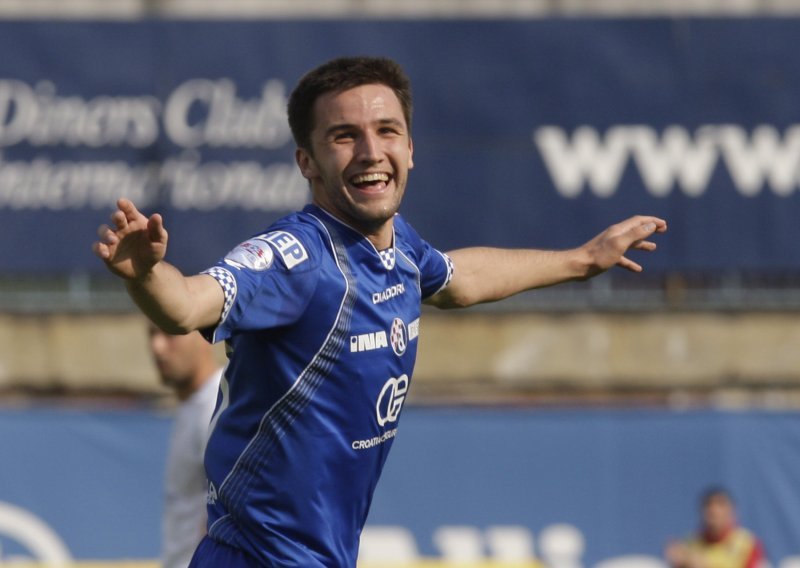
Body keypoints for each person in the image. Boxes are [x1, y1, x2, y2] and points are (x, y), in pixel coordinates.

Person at [93, 56, 667, 567]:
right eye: (344, 136)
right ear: (307, 161)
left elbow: (459, 279)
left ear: (410, 148)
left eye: (387, 130)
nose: (371, 152)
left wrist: (580, 260)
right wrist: (145, 275)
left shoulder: (398, 247)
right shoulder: (297, 259)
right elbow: (187, 305)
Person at [148, 324, 223, 568]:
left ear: (204, 334)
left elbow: (229, 514)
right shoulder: (194, 405)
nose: (157, 347)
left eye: (170, 333)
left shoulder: (216, 406)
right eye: (151, 334)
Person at [665, 487, 766, 568]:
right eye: (708, 506)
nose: (714, 511)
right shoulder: (689, 543)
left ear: (732, 511)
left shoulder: (747, 543)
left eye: (720, 505)